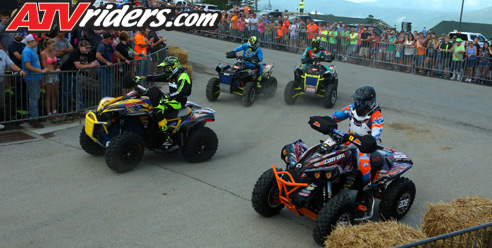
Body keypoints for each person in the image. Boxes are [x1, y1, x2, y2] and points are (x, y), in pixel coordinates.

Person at [328, 85, 383, 215]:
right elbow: (334, 116)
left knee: (363, 164)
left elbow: (375, 135)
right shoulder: (351, 109)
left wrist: (370, 141)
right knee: (326, 150)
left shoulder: (376, 116)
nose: (358, 104)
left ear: (370, 102)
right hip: (348, 140)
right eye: (357, 101)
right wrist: (325, 121)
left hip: (364, 146)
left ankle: (364, 196)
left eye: (361, 102)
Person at [136, 56, 191, 146]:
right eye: (165, 68)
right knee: (148, 104)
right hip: (171, 99)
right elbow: (155, 77)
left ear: (174, 67)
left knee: (158, 110)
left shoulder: (183, 76)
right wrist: (140, 78)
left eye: (167, 68)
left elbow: (182, 92)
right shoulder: (171, 75)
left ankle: (167, 136)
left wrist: (169, 96)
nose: (165, 70)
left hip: (178, 102)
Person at [22, 34, 47, 128]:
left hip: (35, 77)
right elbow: (27, 66)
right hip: (31, 77)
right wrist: (41, 71)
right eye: (35, 41)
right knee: (33, 98)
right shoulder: (27, 51)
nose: (37, 42)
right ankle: (33, 119)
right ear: (30, 41)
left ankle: (34, 117)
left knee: (35, 97)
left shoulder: (31, 50)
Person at [95, 32, 130, 97]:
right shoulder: (101, 45)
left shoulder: (109, 45)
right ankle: (104, 101)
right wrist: (107, 62)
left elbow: (116, 52)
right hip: (103, 68)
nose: (112, 40)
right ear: (107, 39)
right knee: (103, 86)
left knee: (110, 85)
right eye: (111, 39)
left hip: (109, 69)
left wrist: (124, 59)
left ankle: (109, 99)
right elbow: (98, 55)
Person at [0, 46, 26, 128]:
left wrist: (19, 70)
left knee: (1, 102)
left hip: (1, 81)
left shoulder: (2, 53)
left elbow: (11, 64)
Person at [40, 39, 60, 120]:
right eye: (53, 46)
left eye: (55, 46)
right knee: (48, 94)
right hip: (48, 75)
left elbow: (54, 64)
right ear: (48, 45)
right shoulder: (43, 54)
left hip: (54, 74)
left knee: (55, 93)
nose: (54, 47)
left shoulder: (54, 52)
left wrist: (57, 65)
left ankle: (54, 110)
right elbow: (44, 67)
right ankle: (48, 112)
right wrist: (54, 70)